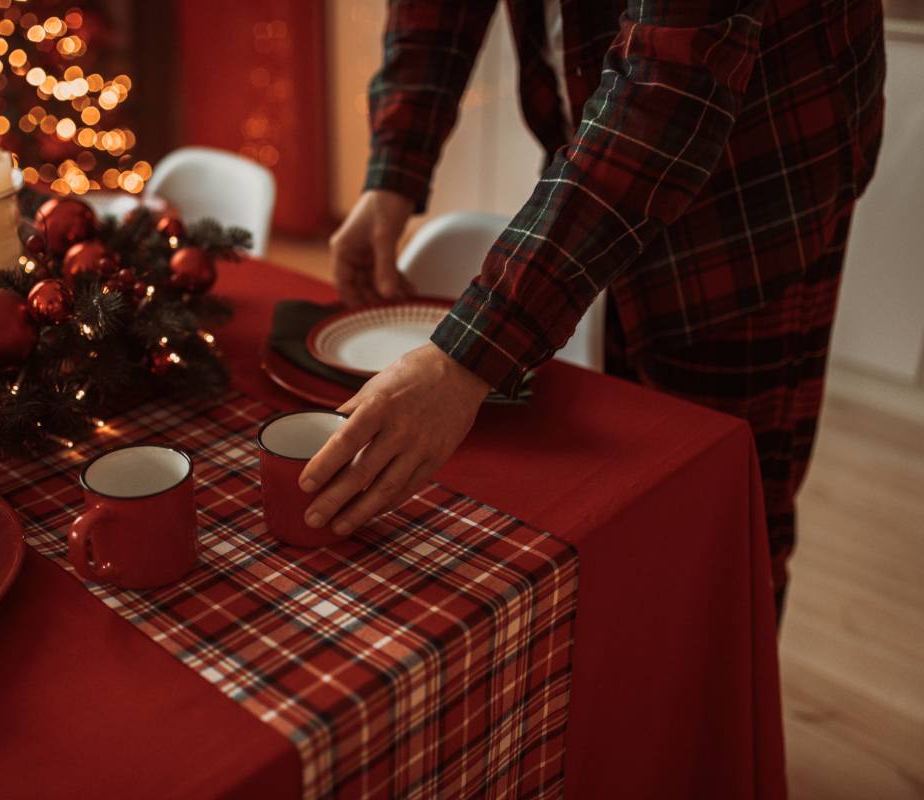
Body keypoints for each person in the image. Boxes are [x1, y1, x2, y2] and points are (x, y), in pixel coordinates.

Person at [298, 0, 885, 615]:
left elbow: (668, 88)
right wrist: (394, 169)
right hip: (602, 142)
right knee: (623, 515)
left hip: (756, 192)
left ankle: (719, 702)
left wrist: (467, 358)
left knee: (727, 536)